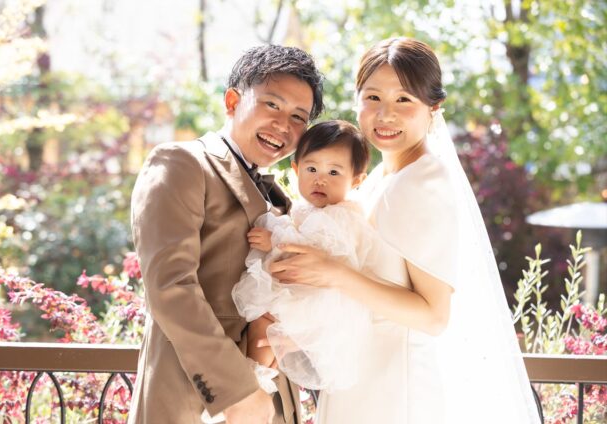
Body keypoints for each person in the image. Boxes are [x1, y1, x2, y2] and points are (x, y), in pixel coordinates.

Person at [270, 37, 541, 423]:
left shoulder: (423, 182)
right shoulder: (381, 176)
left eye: (403, 100)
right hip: (364, 376)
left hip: (396, 387)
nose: (385, 115)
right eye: (373, 97)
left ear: (433, 108)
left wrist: (333, 273)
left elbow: (433, 315)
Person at [128, 45, 324, 424]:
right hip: (196, 400)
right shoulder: (181, 163)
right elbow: (170, 287)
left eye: (298, 117)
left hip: (272, 401)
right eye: (272, 105)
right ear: (232, 101)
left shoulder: (280, 196)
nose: (283, 125)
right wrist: (239, 393)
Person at [233, 120, 385, 392]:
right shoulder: (310, 210)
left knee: (264, 324)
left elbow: (317, 253)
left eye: (334, 172)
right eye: (311, 169)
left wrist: (275, 240)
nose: (320, 179)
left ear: (356, 180)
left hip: (322, 303)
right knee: (266, 328)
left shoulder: (342, 216)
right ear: (296, 169)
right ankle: (256, 381)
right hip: (304, 293)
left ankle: (251, 386)